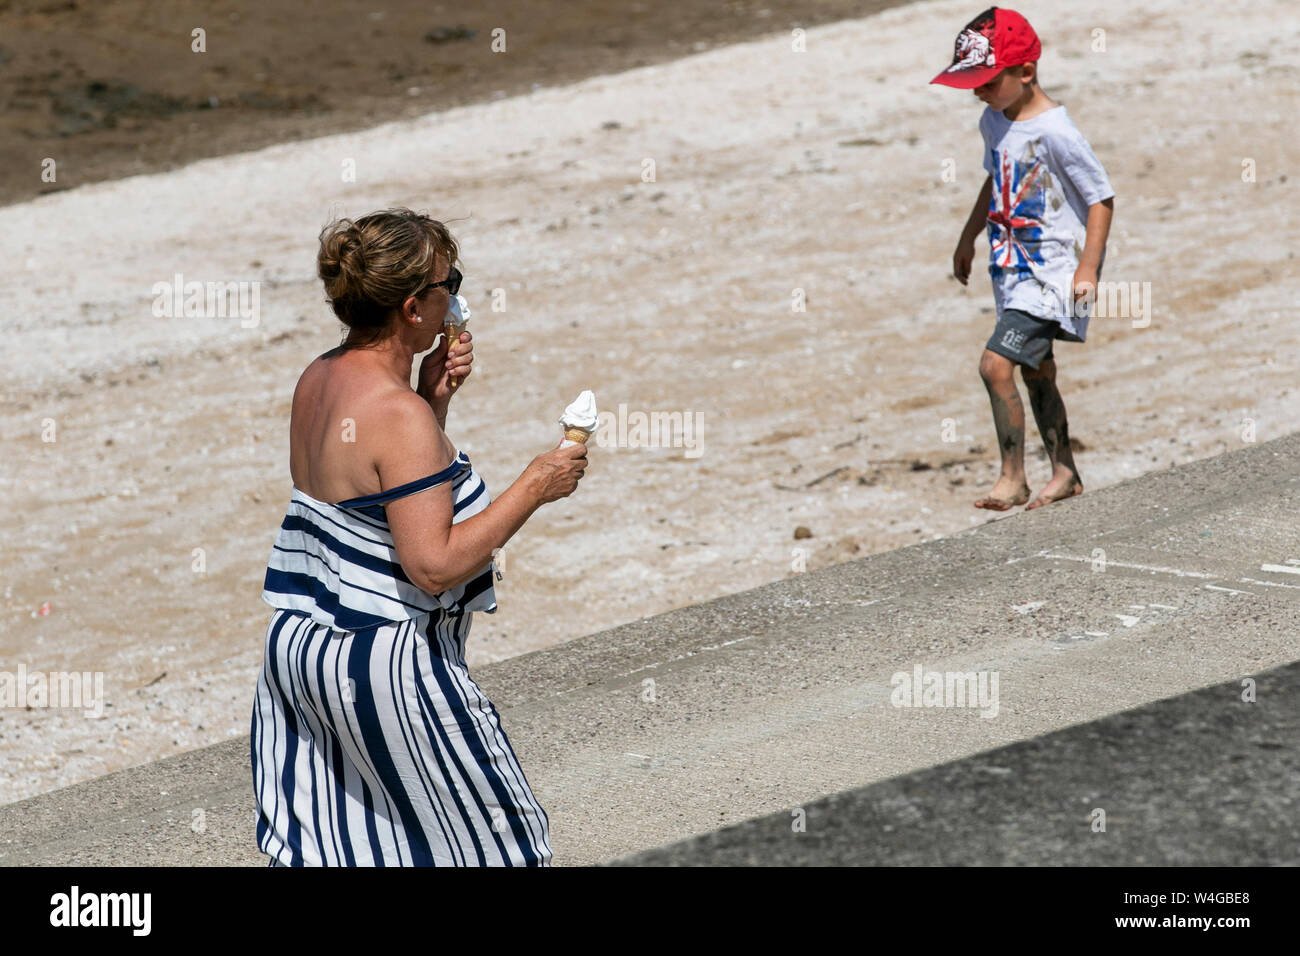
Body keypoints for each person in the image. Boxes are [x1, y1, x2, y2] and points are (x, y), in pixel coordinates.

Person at [250, 208, 588, 865]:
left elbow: (371, 500)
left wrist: (433, 397)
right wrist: (535, 486)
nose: (456, 299)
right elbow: (432, 566)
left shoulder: (319, 379)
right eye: (448, 283)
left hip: (302, 650)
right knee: (505, 845)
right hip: (386, 665)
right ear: (413, 307)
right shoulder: (396, 415)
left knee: (354, 849)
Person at [936, 7, 1115, 510]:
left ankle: (1012, 477)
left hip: (1054, 273)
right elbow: (995, 180)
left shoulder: (1056, 131)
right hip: (1011, 269)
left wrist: (1087, 270)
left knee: (995, 365)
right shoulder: (993, 122)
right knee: (1038, 372)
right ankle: (1065, 472)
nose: (978, 93)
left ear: (1026, 72)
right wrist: (968, 235)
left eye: (987, 82)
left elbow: (1101, 198)